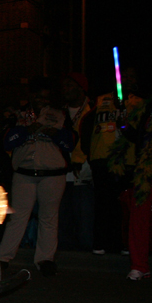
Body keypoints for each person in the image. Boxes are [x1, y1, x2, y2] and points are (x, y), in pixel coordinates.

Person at [0, 77, 75, 276]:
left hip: (53, 174)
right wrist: (26, 131)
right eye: (39, 97)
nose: (43, 101)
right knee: (17, 217)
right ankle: (3, 258)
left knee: (49, 218)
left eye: (46, 98)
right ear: (31, 96)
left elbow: (71, 142)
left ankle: (45, 259)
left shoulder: (59, 114)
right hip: (24, 173)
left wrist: (55, 134)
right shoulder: (18, 114)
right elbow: (6, 142)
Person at [81, 67, 143, 255]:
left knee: (123, 204)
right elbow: (86, 126)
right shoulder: (101, 100)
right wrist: (89, 154)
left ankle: (123, 243)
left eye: (132, 77)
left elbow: (141, 133)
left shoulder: (139, 103)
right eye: (125, 76)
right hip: (101, 159)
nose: (128, 79)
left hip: (127, 160)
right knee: (102, 203)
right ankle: (100, 243)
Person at [109, 70, 152, 280]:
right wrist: (123, 124)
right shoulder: (150, 105)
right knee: (139, 212)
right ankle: (139, 265)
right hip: (148, 164)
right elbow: (138, 136)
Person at [59, 73, 95, 251]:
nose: (66, 89)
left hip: (84, 171)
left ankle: (87, 253)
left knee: (84, 215)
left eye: (70, 85)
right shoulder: (58, 113)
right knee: (63, 215)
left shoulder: (93, 110)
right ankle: (66, 254)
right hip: (61, 172)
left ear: (82, 88)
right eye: (64, 86)